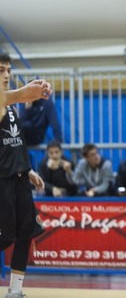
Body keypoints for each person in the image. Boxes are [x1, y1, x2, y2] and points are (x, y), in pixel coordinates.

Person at [0, 53, 50, 298]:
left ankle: (15, 290)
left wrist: (26, 169)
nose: (6, 75)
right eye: (1, 70)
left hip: (18, 176)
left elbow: (12, 141)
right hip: (2, 181)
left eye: (8, 70)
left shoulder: (10, 104)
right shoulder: (7, 99)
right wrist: (26, 92)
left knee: (26, 233)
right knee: (4, 238)